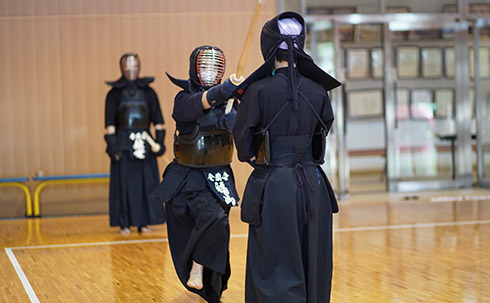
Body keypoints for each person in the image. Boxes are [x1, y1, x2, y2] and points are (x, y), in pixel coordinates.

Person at [232, 12, 341, 303]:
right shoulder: (319, 91)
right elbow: (323, 131)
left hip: (276, 187)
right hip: (315, 185)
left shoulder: (257, 91)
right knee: (314, 257)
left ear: (268, 46)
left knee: (276, 264)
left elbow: (243, 149)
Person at [152, 45, 239, 303]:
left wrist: (235, 115)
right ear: (195, 68)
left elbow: (243, 128)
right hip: (188, 178)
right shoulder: (184, 98)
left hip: (219, 177)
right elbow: (191, 109)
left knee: (217, 225)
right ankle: (198, 268)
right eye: (205, 66)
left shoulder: (229, 102)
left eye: (215, 67)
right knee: (209, 223)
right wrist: (221, 91)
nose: (210, 72)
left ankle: (209, 284)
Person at [104, 52, 166, 236]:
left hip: (145, 142)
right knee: (123, 183)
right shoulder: (114, 94)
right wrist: (112, 145)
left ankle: (144, 222)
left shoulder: (149, 92)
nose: (131, 69)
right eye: (127, 66)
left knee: (147, 183)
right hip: (123, 143)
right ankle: (124, 223)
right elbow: (109, 124)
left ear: (139, 67)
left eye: (134, 65)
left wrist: (160, 143)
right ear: (122, 68)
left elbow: (159, 121)